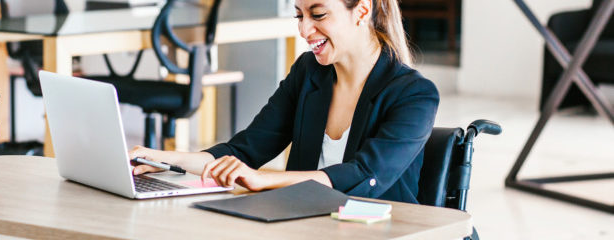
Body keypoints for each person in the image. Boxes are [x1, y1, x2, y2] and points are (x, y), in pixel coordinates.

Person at [130, 0, 439, 203]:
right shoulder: (308, 73)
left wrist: (264, 180)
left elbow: (364, 176)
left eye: (318, 15)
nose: (304, 30)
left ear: (361, 11)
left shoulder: (414, 94)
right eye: (299, 16)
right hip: (308, 229)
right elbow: (244, 151)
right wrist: (163, 160)